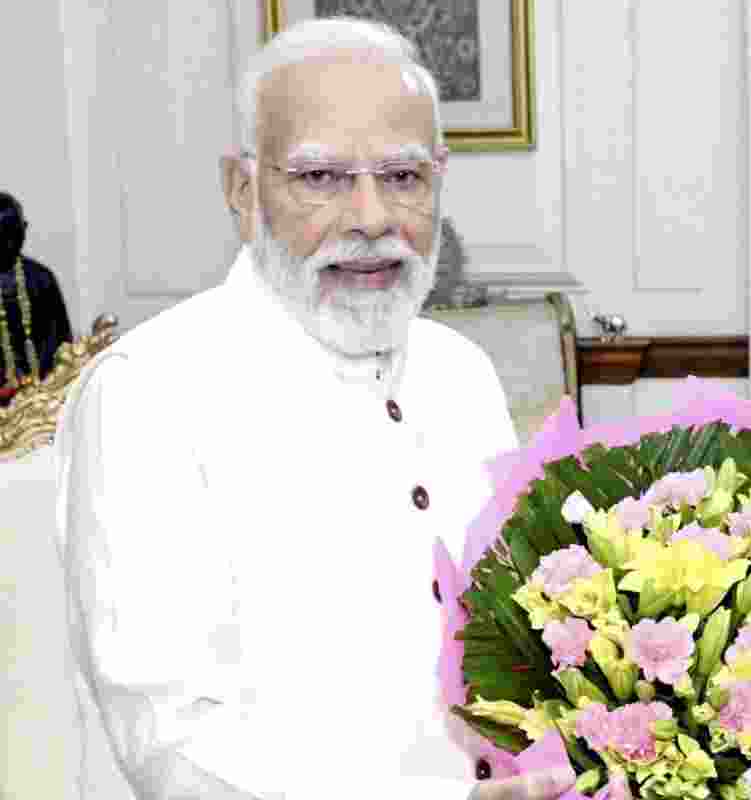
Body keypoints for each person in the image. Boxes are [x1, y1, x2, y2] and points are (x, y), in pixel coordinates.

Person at [56, 18, 571, 800]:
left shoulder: (463, 370)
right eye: (321, 178)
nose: (370, 218)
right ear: (242, 189)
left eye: (403, 177)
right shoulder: (149, 392)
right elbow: (171, 742)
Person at [0, 191, 73, 403]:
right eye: (1, 236)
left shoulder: (40, 278)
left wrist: (38, 375)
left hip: (37, 389)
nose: (8, 244)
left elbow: (58, 338)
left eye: (13, 234)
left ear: (25, 229)